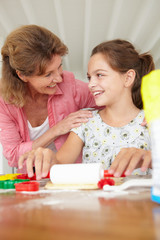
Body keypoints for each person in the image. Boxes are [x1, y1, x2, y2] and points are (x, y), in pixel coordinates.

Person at [19, 39, 154, 180]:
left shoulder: (152, 122)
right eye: (89, 77)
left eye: (100, 75)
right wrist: (46, 158)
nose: (90, 84)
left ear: (128, 78)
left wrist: (152, 159)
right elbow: (59, 165)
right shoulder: (86, 121)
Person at [0, 24, 97, 173]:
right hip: (32, 181)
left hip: (72, 176)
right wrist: (56, 130)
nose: (58, 78)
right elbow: (13, 156)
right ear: (22, 75)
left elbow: (111, 101)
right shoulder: (5, 102)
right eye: (48, 74)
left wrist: (143, 117)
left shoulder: (70, 86)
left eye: (59, 66)